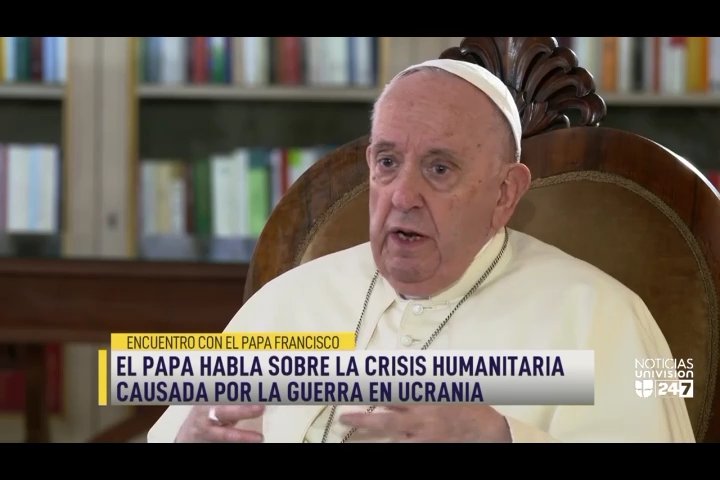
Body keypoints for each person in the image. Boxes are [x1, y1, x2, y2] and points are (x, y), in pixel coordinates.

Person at [147, 58, 695, 443]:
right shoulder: (289, 300)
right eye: (387, 162)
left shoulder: (601, 316)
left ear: (505, 193)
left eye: (439, 168)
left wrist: (503, 437)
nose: (403, 196)